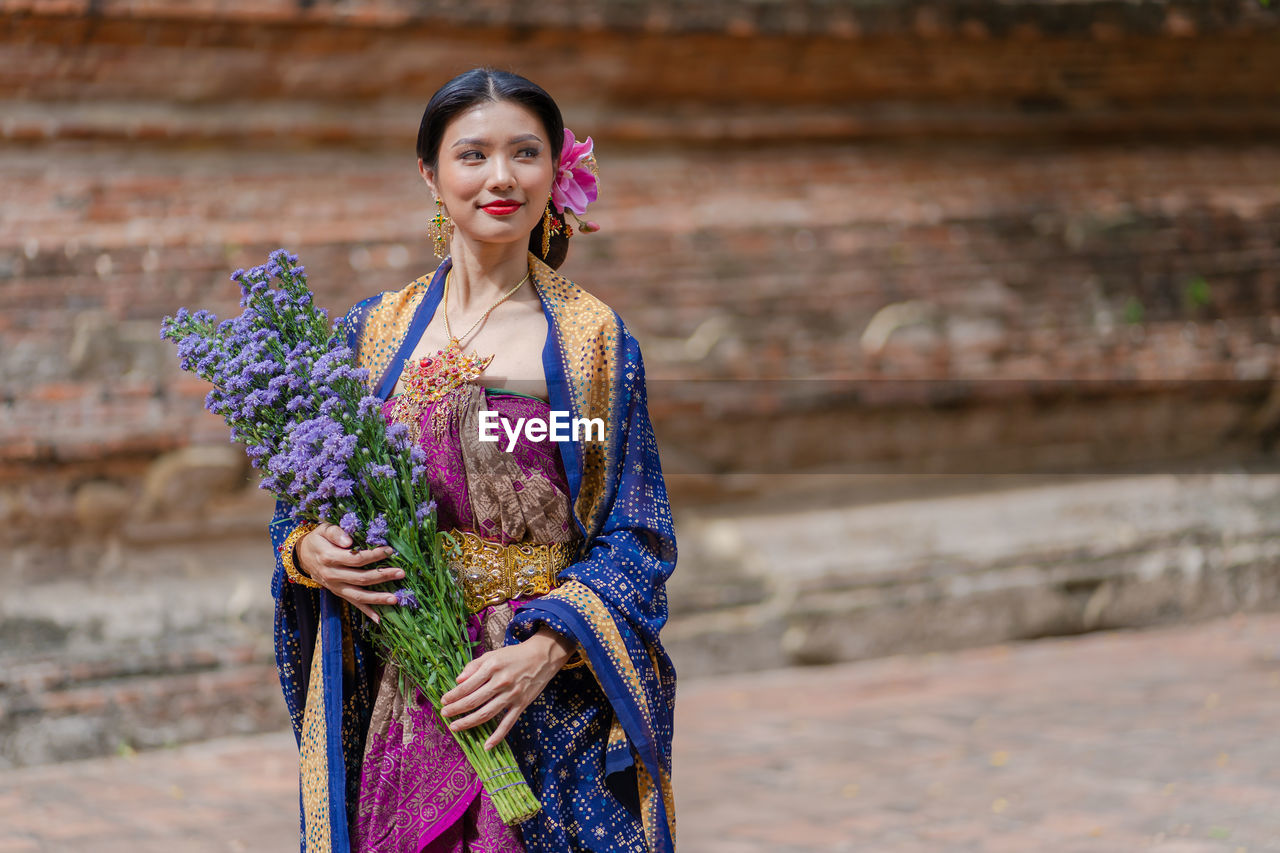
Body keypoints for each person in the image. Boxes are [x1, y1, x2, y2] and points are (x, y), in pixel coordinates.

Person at [266, 67, 678, 853]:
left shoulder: (590, 344)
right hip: (410, 690)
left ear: (556, 170)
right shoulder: (372, 335)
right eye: (473, 155)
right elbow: (309, 491)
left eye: (525, 153)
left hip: (542, 706)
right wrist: (308, 548)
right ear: (430, 173)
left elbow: (637, 531)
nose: (501, 177)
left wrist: (545, 648)